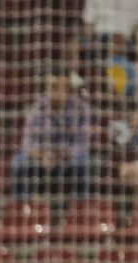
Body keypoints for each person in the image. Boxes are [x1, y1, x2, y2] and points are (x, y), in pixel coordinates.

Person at [11, 73, 92, 201]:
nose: (54, 92)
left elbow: (82, 145)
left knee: (84, 162)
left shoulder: (81, 109)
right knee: (18, 161)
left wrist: (60, 155)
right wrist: (43, 155)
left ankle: (80, 206)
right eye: (51, 87)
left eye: (58, 87)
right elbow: (27, 143)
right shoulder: (37, 107)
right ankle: (22, 207)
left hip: (68, 160)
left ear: (67, 89)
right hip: (42, 160)